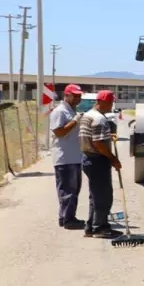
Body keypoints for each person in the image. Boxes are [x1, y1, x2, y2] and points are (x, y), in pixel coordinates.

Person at [78, 90, 123, 239]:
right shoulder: (99, 119)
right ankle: (100, 228)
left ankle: (91, 227)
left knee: (95, 195)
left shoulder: (87, 115)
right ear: (102, 102)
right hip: (97, 159)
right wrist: (113, 159)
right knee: (103, 196)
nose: (111, 106)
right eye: (110, 102)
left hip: (88, 158)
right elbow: (98, 143)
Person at [49, 84, 85, 230]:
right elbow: (59, 132)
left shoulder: (71, 111)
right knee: (67, 191)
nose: (78, 98)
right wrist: (75, 121)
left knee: (74, 190)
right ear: (67, 95)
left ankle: (66, 217)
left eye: (79, 96)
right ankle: (68, 220)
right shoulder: (60, 112)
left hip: (75, 157)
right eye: (75, 95)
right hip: (65, 158)